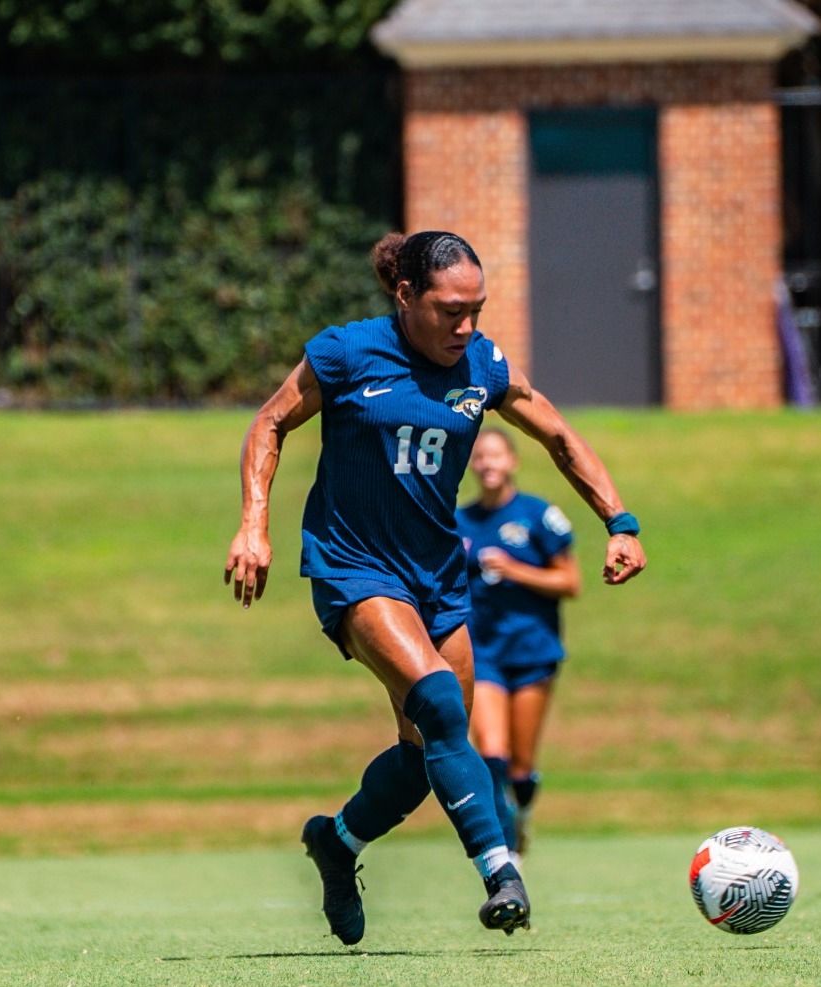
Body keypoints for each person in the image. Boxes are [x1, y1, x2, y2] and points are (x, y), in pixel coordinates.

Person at [225, 229, 646, 946]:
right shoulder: (346, 352)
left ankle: (338, 842)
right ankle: (500, 873)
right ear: (406, 295)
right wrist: (253, 525)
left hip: (438, 578)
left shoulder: (482, 364)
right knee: (444, 707)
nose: (466, 327)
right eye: (451, 310)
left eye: (476, 310)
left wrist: (620, 521)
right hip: (354, 567)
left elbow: (559, 437)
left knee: (426, 755)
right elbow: (270, 422)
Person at [457, 428, 580, 862]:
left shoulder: (538, 516)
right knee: (492, 753)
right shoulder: (459, 522)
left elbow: (570, 581)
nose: (488, 464)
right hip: (482, 652)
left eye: (496, 456)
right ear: (472, 466)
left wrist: (515, 571)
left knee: (521, 768)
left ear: (513, 462)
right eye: (480, 457)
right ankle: (504, 858)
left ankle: (522, 814)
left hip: (533, 651)